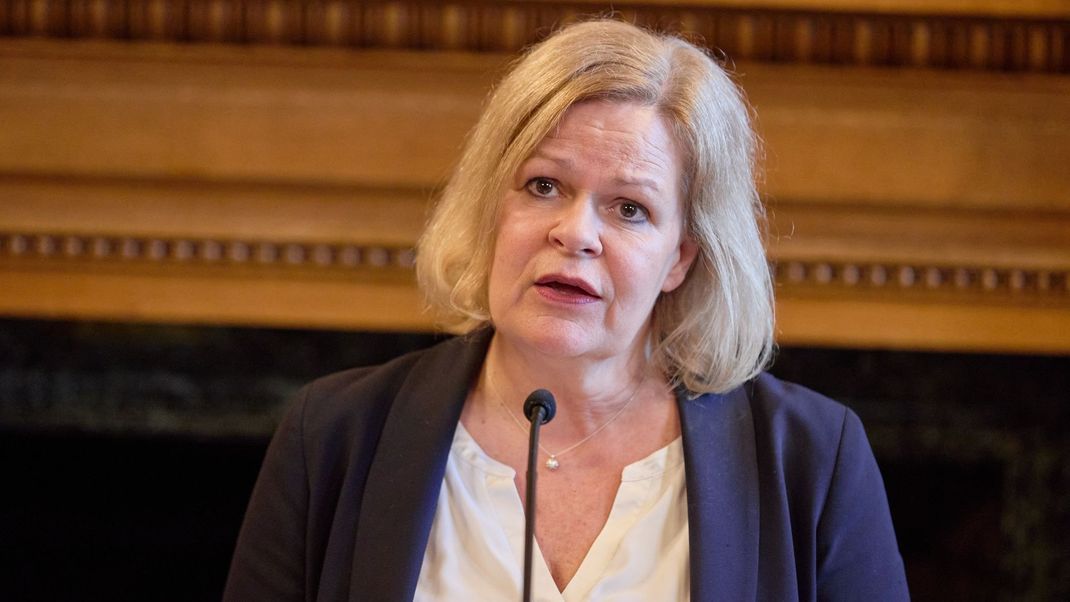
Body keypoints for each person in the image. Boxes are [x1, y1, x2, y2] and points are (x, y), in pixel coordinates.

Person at [224, 19, 909, 601]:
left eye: (630, 208)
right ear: (492, 208)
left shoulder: (813, 460)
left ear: (680, 258)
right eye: (543, 185)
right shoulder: (335, 438)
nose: (576, 232)